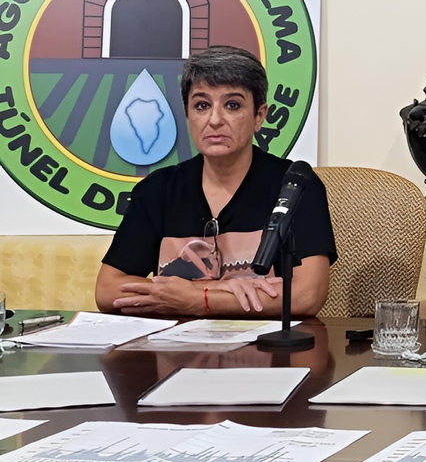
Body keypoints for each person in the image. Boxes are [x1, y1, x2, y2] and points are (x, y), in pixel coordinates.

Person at [95, 46, 336, 317]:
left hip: (264, 342)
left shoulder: (295, 186)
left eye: (232, 105)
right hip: (174, 342)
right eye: (202, 105)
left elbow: (307, 295)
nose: (215, 120)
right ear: (187, 115)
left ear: (259, 116)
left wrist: (200, 300)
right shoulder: (158, 190)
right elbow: (107, 290)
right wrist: (218, 291)